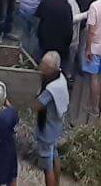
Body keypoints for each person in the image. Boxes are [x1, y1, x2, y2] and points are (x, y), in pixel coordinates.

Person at [35, 51, 70, 185]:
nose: (41, 68)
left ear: (51, 69)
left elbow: (38, 105)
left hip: (47, 129)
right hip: (56, 126)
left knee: (47, 167)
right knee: (54, 155)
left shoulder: (50, 89)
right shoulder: (60, 78)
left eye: (44, 66)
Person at [37, 0, 76, 79]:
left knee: (44, 61)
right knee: (59, 65)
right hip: (60, 44)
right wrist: (68, 42)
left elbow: (38, 14)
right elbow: (69, 28)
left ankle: (42, 77)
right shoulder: (66, 7)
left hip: (45, 38)